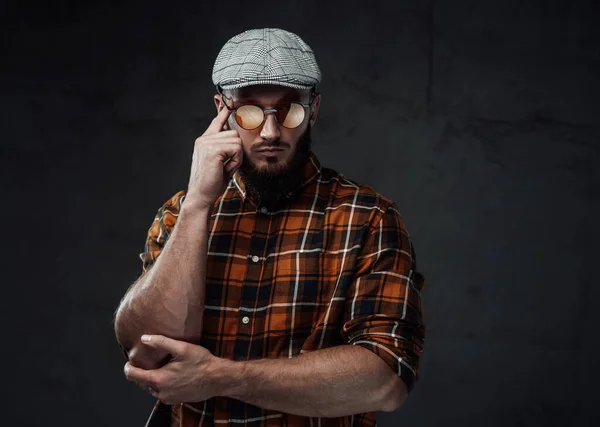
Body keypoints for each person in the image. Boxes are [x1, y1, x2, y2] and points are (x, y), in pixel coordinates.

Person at [113, 28, 426, 427]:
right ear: (221, 110)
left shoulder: (368, 218)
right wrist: (197, 206)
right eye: (249, 111)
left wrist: (222, 377)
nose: (270, 132)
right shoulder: (180, 214)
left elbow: (385, 379)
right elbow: (145, 352)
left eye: (289, 110)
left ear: (313, 108)